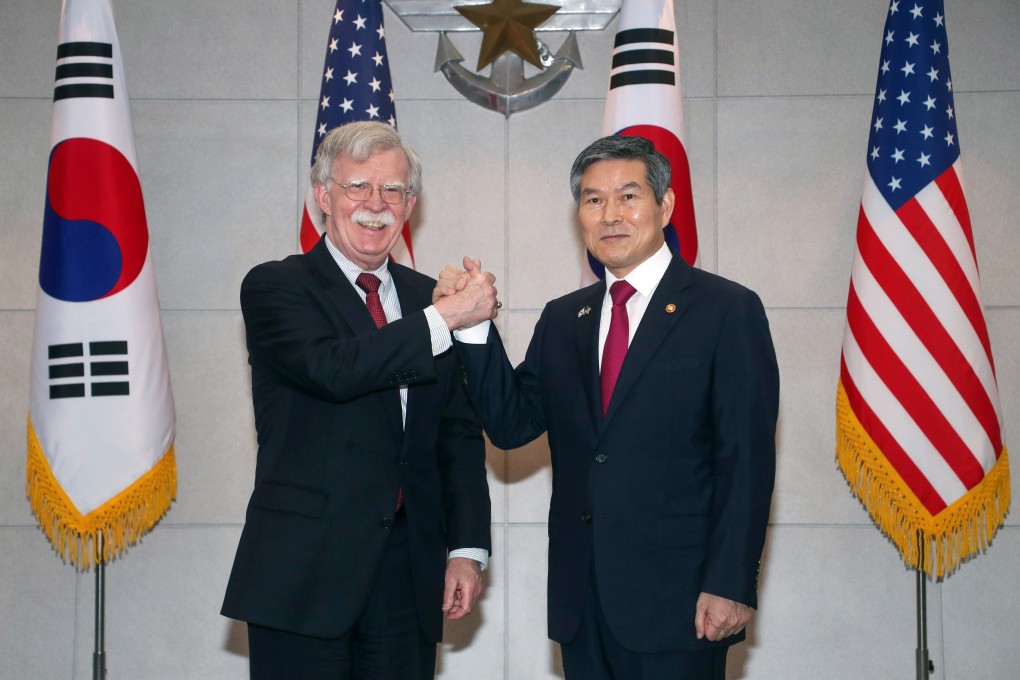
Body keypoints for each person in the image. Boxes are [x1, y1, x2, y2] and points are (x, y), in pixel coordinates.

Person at [436, 135, 779, 680]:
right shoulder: (563, 319)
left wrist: (730, 582)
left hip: (683, 602)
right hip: (583, 600)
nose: (610, 214)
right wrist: (474, 328)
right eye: (593, 200)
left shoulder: (725, 310)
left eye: (628, 195)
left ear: (664, 206)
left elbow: (747, 462)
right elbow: (509, 424)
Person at [221, 121, 494, 680]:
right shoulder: (276, 287)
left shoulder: (425, 299)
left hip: (407, 573)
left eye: (393, 190)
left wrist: (466, 546)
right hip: (303, 574)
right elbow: (334, 370)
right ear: (323, 195)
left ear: (410, 203)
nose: (376, 204)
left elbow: (457, 433)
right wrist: (444, 319)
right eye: (356, 188)